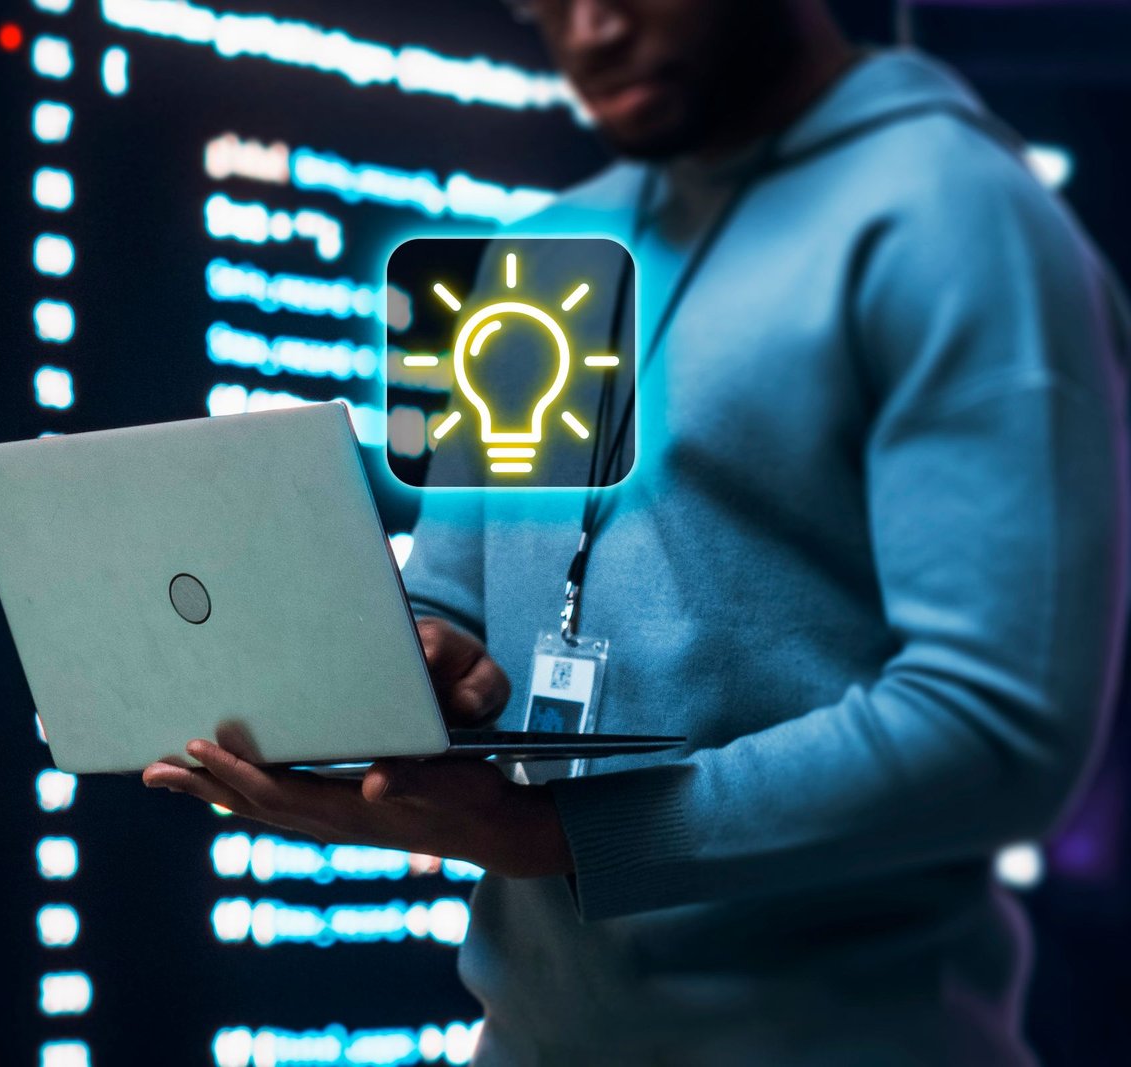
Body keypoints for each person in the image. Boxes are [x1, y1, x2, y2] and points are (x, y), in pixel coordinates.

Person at [144, 0, 1131, 1062]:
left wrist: (559, 835)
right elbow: (454, 606)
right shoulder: (535, 258)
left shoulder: (953, 218)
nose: (590, 28)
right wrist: (410, 673)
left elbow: (992, 731)